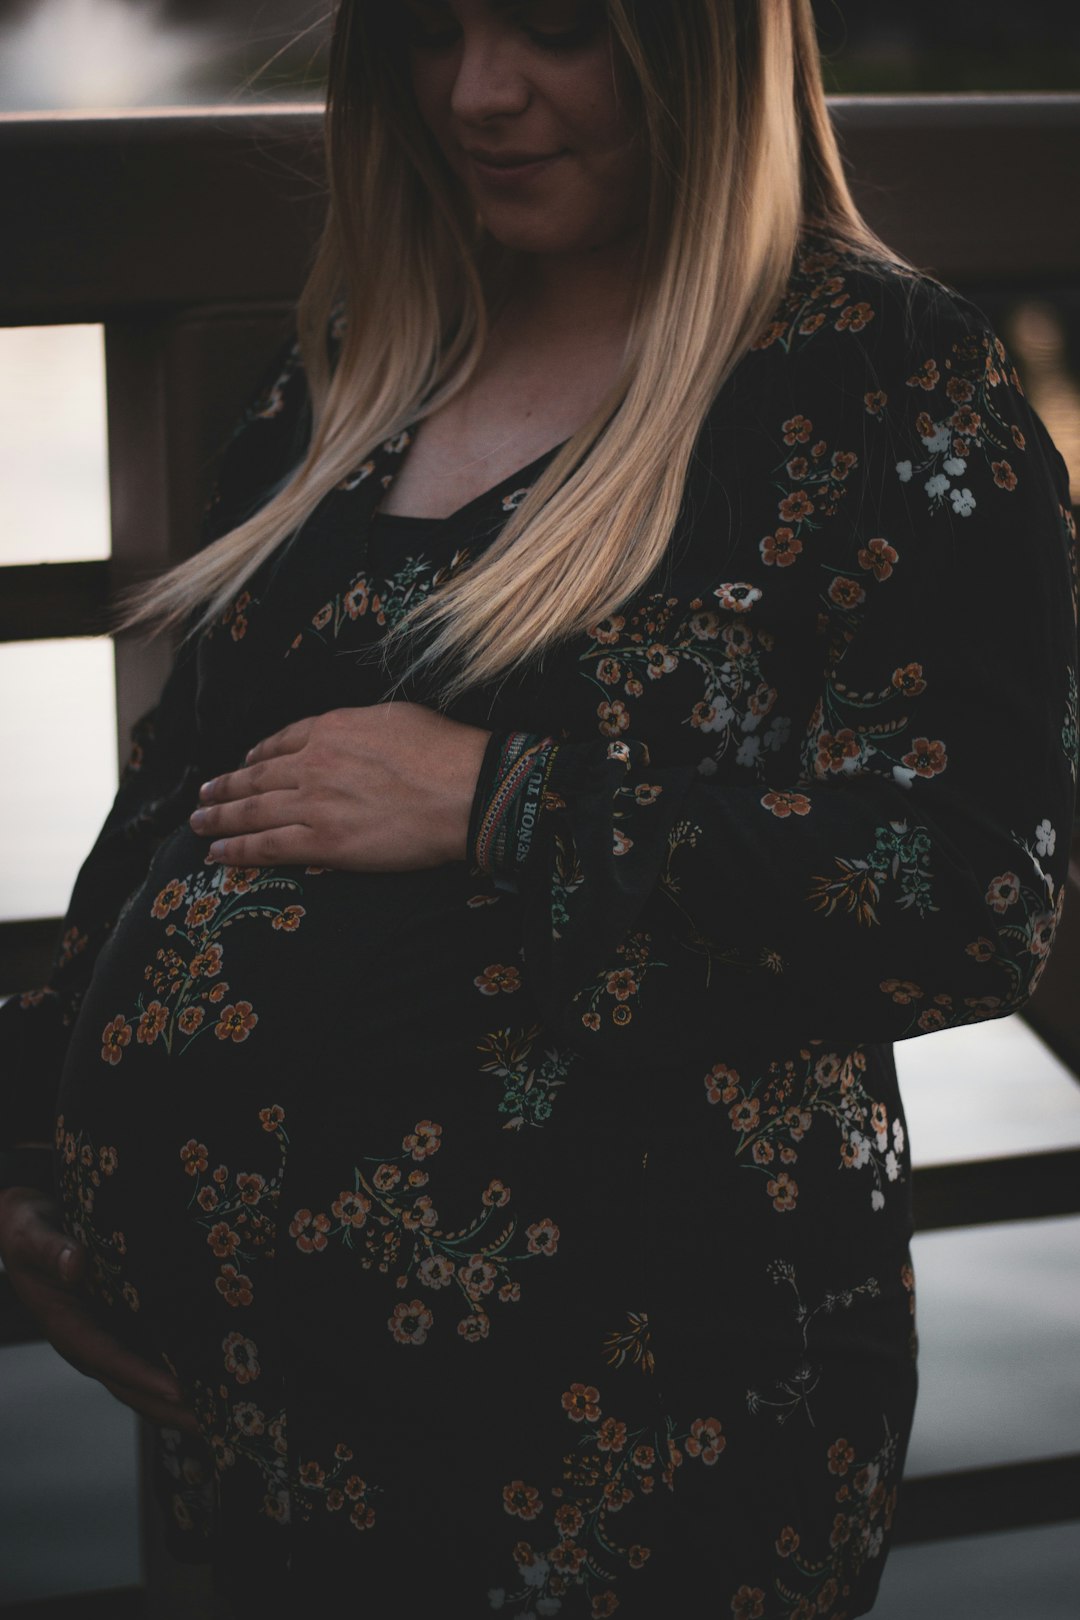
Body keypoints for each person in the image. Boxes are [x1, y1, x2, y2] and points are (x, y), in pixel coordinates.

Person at [1, 2, 1075, 1615]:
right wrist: (38, 1162)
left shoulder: (882, 380)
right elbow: (184, 797)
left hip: (639, 1425)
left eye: (560, 32)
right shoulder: (378, 344)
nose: (479, 96)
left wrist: (507, 802)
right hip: (270, 1420)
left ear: (706, 49)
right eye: (431, 34)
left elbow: (972, 898)